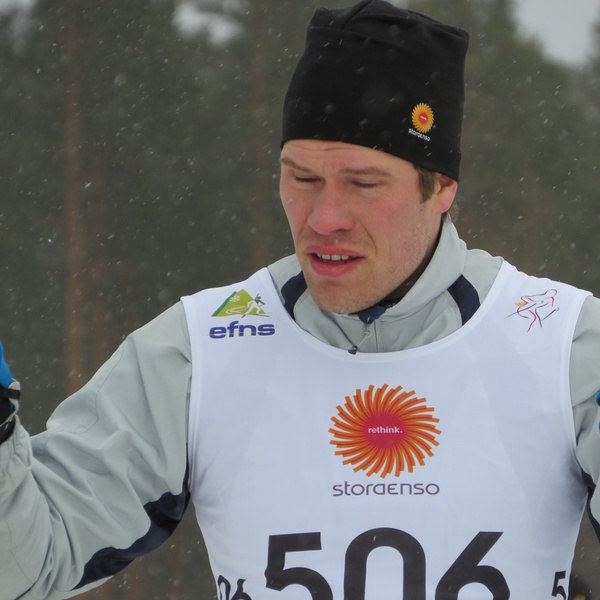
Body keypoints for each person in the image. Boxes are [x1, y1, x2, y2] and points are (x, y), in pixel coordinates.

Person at [1, 0, 600, 597]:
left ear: (441, 187)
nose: (323, 218)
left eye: (363, 183)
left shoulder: (564, 346)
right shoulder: (199, 351)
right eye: (302, 178)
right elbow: (32, 565)